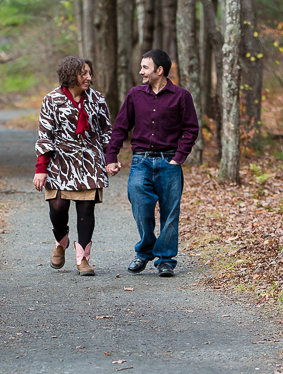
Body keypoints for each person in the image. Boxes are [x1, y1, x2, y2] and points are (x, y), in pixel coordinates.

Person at [105, 48, 199, 277]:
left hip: (169, 163)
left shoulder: (181, 96)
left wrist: (179, 157)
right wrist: (111, 156)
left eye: (145, 67)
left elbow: (191, 129)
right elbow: (120, 127)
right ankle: (145, 251)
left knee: (170, 213)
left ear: (160, 70)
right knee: (140, 207)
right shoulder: (135, 94)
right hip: (141, 162)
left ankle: (166, 260)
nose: (141, 71)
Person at [33, 56, 112, 276]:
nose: (88, 77)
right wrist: (41, 168)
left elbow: (106, 131)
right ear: (70, 75)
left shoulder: (97, 99)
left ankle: (83, 259)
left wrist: (110, 157)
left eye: (89, 73)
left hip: (90, 162)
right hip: (60, 162)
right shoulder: (52, 100)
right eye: (83, 73)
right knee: (57, 208)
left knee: (86, 209)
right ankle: (61, 240)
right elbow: (44, 135)